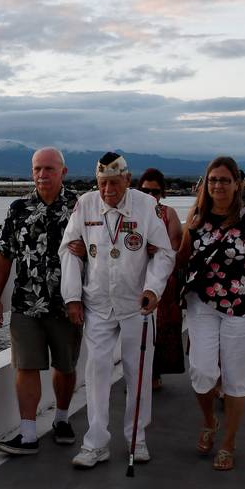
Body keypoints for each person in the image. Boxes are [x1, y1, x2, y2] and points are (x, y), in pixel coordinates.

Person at [59, 152, 175, 468]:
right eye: (102, 183)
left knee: (138, 373)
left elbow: (164, 253)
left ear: (127, 179)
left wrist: (153, 289)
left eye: (114, 183)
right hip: (96, 303)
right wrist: (71, 297)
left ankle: (136, 439)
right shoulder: (85, 205)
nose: (108, 190)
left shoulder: (145, 205)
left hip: (136, 305)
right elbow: (68, 251)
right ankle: (96, 443)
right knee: (96, 372)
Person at [179, 156, 245, 471]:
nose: (218, 186)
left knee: (237, 380)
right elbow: (181, 258)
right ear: (205, 184)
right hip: (202, 305)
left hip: (241, 307)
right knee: (202, 371)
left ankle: (229, 442)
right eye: (213, 180)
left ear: (236, 184)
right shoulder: (196, 216)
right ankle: (210, 420)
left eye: (225, 180)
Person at [0, 147, 82, 455]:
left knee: (65, 365)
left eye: (49, 169)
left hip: (67, 303)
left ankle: (61, 419)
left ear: (63, 173)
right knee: (26, 366)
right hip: (26, 303)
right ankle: (28, 434)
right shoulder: (18, 209)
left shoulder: (81, 207)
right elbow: (3, 256)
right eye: (37, 169)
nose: (43, 175)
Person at [136, 168, 184, 390]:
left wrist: (159, 249)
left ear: (162, 193)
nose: (150, 195)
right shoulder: (131, 214)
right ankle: (138, 374)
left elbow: (175, 247)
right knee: (136, 331)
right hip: (135, 279)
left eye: (155, 191)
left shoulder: (169, 214)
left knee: (162, 329)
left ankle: (154, 375)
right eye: (145, 190)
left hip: (162, 281)